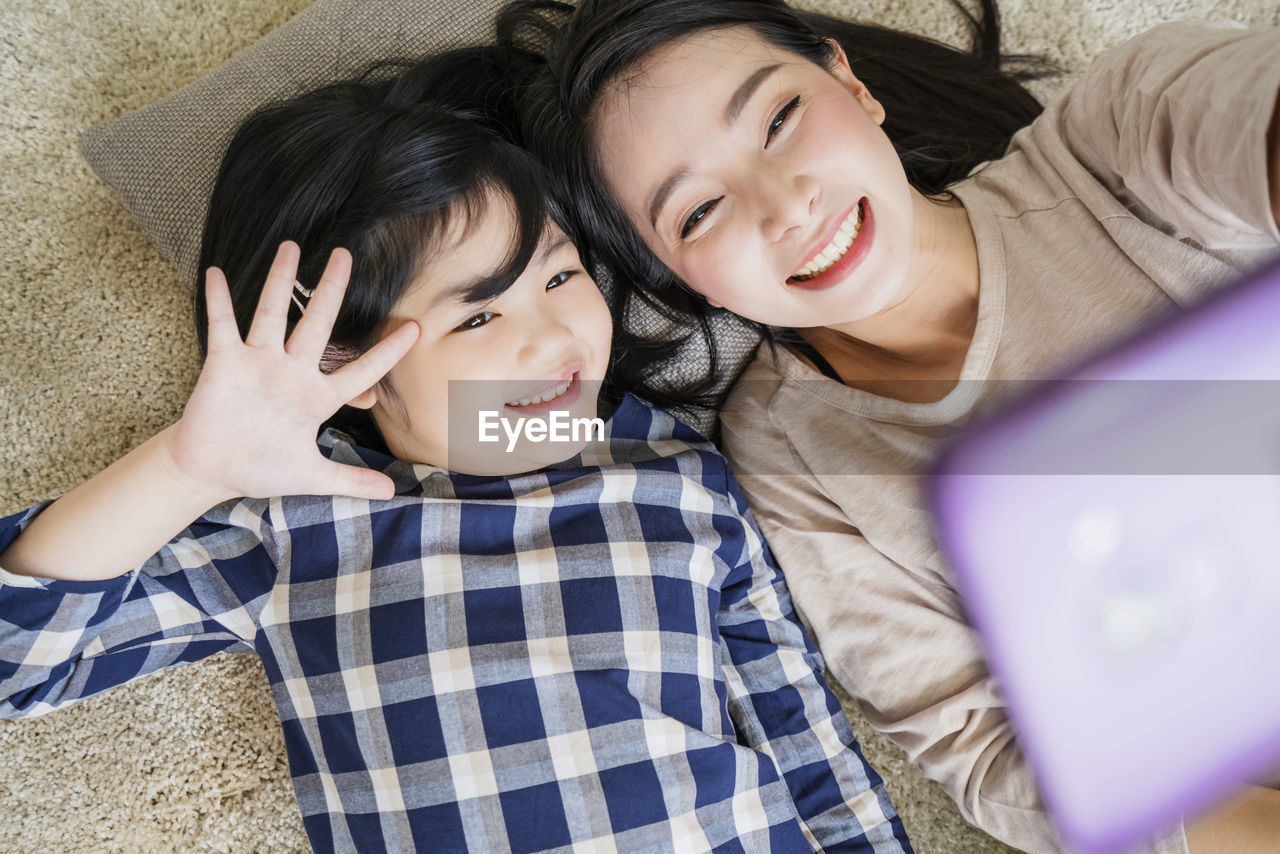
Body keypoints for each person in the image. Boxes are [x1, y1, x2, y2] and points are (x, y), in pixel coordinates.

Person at [0, 46, 914, 853]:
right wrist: (185, 468)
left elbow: (805, 741)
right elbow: (17, 657)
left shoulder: (678, 477)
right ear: (341, 363)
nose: (555, 335)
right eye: (479, 314)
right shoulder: (304, 526)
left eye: (560, 274)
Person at [501, 1, 1280, 852]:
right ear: (682, 282)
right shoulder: (789, 455)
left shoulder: (1120, 138)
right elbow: (1001, 759)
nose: (787, 206)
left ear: (849, 81)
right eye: (698, 212)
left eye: (780, 117)